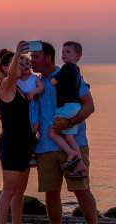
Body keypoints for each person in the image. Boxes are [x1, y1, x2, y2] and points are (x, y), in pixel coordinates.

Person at [29, 41, 102, 224]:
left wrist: (69, 123)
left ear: (48, 58)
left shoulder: (70, 75)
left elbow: (89, 106)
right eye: (31, 57)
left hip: (74, 143)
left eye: (35, 56)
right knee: (51, 193)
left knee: (81, 190)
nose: (31, 61)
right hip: (45, 146)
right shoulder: (35, 83)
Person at [0, 41, 38, 224]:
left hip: (24, 144)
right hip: (11, 145)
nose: (22, 67)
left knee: (20, 190)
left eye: (22, 63)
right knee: (9, 190)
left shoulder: (20, 88)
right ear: (6, 68)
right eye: (17, 64)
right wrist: (19, 52)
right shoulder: (6, 84)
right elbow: (12, 75)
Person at [49, 41, 87, 177]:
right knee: (69, 136)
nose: (64, 54)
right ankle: (80, 165)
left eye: (68, 52)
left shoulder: (66, 68)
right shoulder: (77, 70)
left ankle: (71, 154)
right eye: (63, 51)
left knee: (52, 133)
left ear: (77, 55)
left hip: (66, 106)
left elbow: (53, 82)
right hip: (75, 106)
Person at [17, 55, 44, 167]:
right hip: (22, 111)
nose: (25, 66)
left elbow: (42, 87)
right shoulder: (17, 81)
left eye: (27, 63)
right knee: (20, 132)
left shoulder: (34, 78)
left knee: (33, 132)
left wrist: (33, 92)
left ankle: (33, 154)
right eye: (21, 65)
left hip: (33, 110)